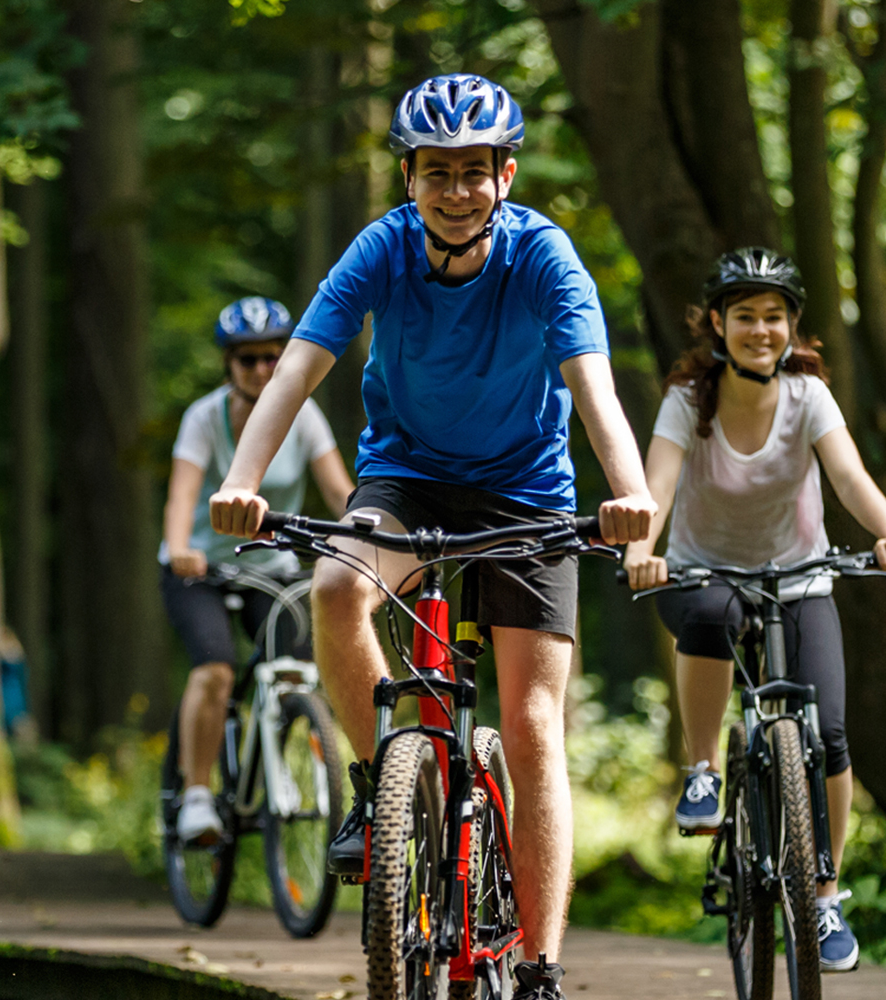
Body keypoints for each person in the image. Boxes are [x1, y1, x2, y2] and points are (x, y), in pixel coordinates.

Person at [208, 75, 653, 999]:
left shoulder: (543, 256)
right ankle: (383, 787)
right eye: (437, 173)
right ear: (408, 177)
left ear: (506, 174)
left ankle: (540, 967)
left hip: (529, 494)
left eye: (475, 173)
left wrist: (633, 492)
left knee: (531, 729)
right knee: (338, 589)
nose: (457, 192)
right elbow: (296, 369)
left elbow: (592, 386)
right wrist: (242, 479)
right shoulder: (381, 250)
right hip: (405, 481)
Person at [622, 248, 886, 974]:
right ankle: (701, 771)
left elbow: (847, 473)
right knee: (713, 614)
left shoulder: (808, 397)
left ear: (793, 327)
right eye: (746, 316)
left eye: (775, 316)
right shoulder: (689, 401)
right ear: (717, 326)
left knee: (834, 733)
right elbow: (656, 485)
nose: (761, 329)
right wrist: (641, 550)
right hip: (699, 574)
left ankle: (824, 895)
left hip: (799, 577)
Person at [161, 296, 355, 844]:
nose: (263, 370)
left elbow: (339, 490)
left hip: (272, 568)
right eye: (249, 360)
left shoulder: (304, 414)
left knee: (297, 671)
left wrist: (364, 535)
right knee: (216, 669)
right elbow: (181, 498)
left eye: (274, 358)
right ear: (229, 364)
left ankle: (271, 754)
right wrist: (180, 547)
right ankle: (197, 794)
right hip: (201, 569)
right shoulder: (204, 417)